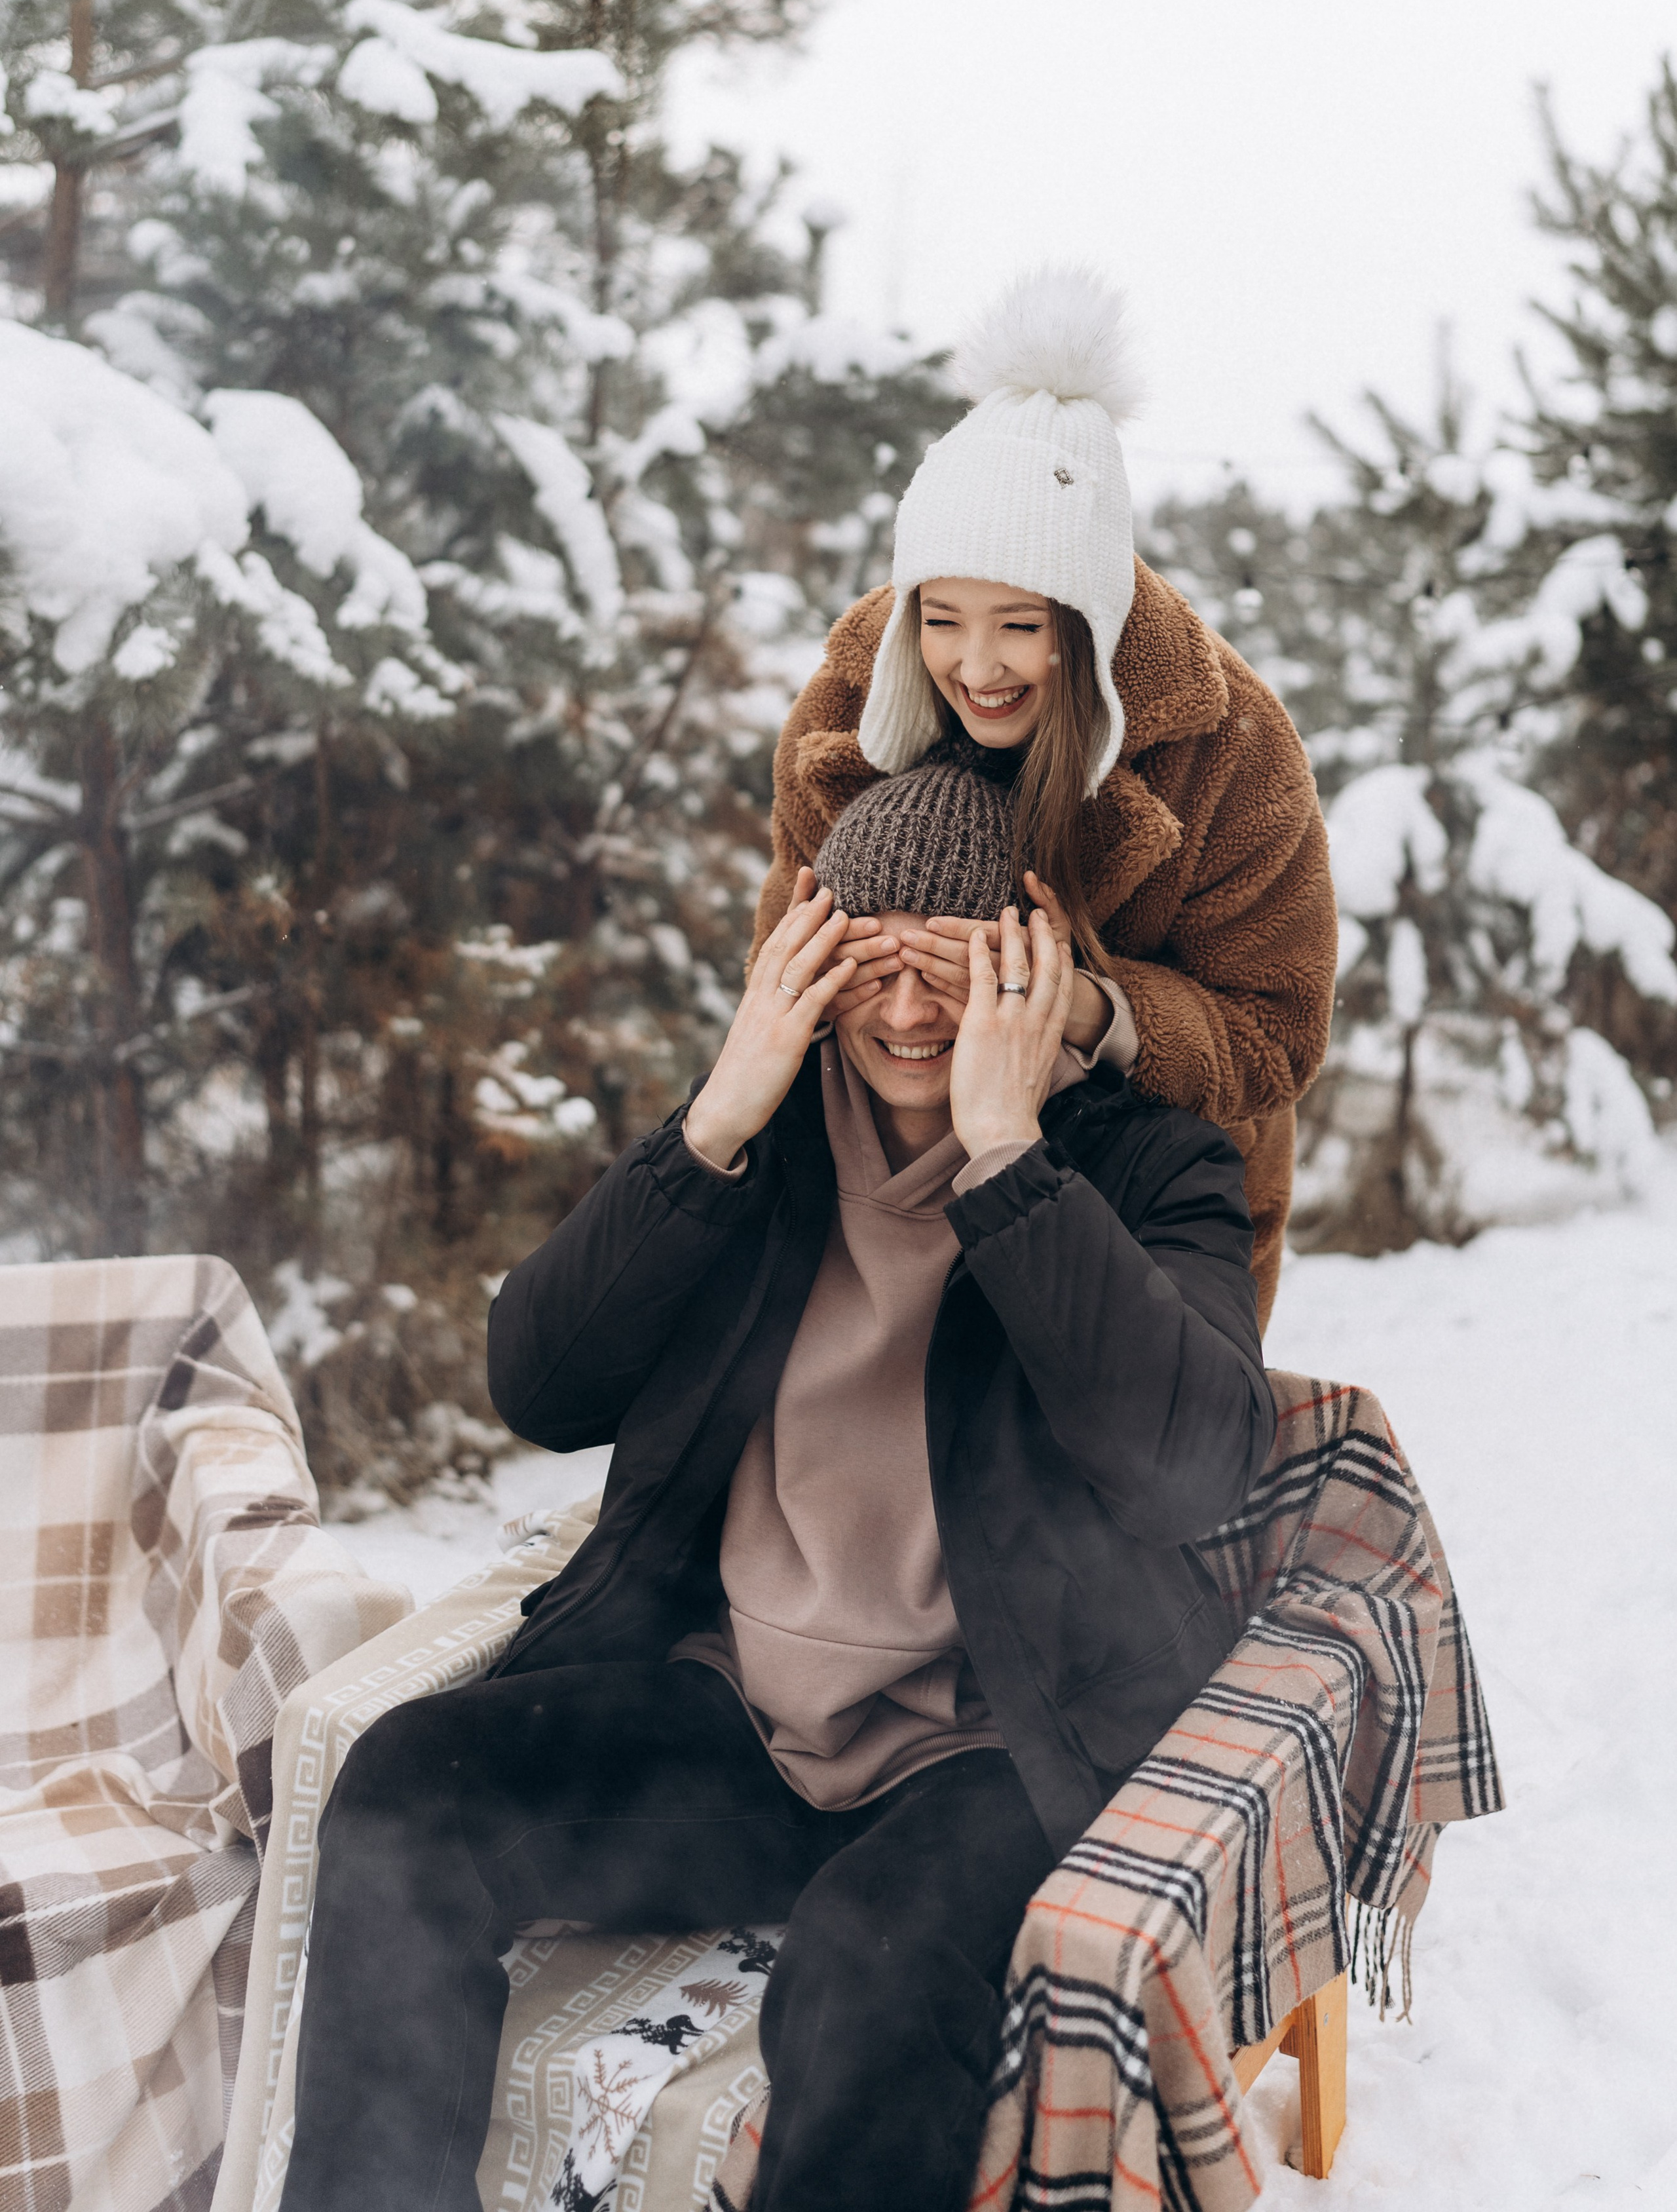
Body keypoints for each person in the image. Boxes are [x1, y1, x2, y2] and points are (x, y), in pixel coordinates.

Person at [276, 755, 1275, 2212]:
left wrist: (1007, 1156)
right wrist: (711, 1125)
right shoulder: (765, 1140)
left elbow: (1194, 1464)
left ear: (1032, 962)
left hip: (996, 1746)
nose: (909, 1011)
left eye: (955, 968)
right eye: (868, 967)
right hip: (734, 1724)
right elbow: (536, 1387)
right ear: (807, 965)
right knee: (401, 1789)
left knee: (869, 1963)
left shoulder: (1147, 1167)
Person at [754, 265, 1338, 1324]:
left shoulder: (1230, 751)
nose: (976, 666)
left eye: (1020, 626)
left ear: (1087, 613)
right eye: (942, 618)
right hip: (884, 1197)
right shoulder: (848, 704)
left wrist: (1092, 1010)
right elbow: (782, 958)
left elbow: (1277, 1039)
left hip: (1148, 1215)